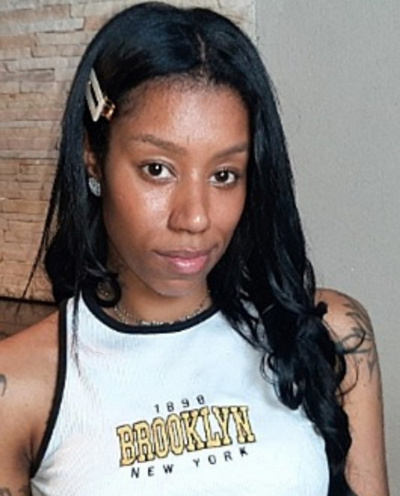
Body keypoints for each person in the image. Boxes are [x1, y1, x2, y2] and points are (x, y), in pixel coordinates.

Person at [0, 2, 389, 495]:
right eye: (157, 169)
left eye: (224, 175)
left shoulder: (330, 334)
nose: (195, 217)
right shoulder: (19, 386)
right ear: (93, 157)